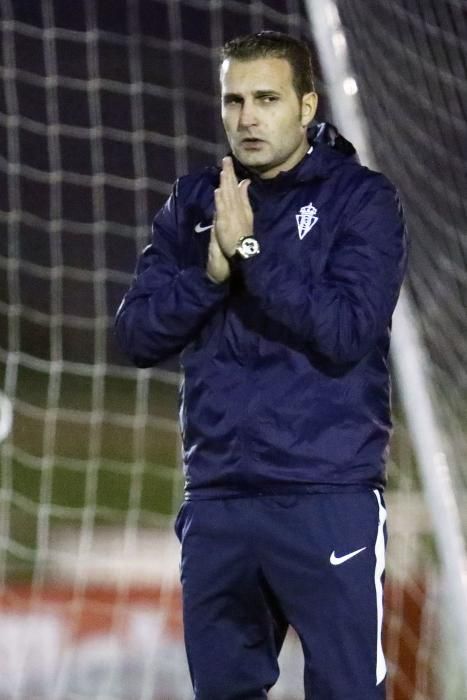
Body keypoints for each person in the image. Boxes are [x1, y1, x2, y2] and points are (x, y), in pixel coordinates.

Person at [115, 31, 407, 700]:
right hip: (218, 504)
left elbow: (344, 331)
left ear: (306, 107)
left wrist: (247, 249)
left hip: (324, 496)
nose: (246, 118)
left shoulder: (359, 200)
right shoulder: (193, 202)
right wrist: (209, 274)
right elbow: (135, 336)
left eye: (266, 99)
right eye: (233, 100)